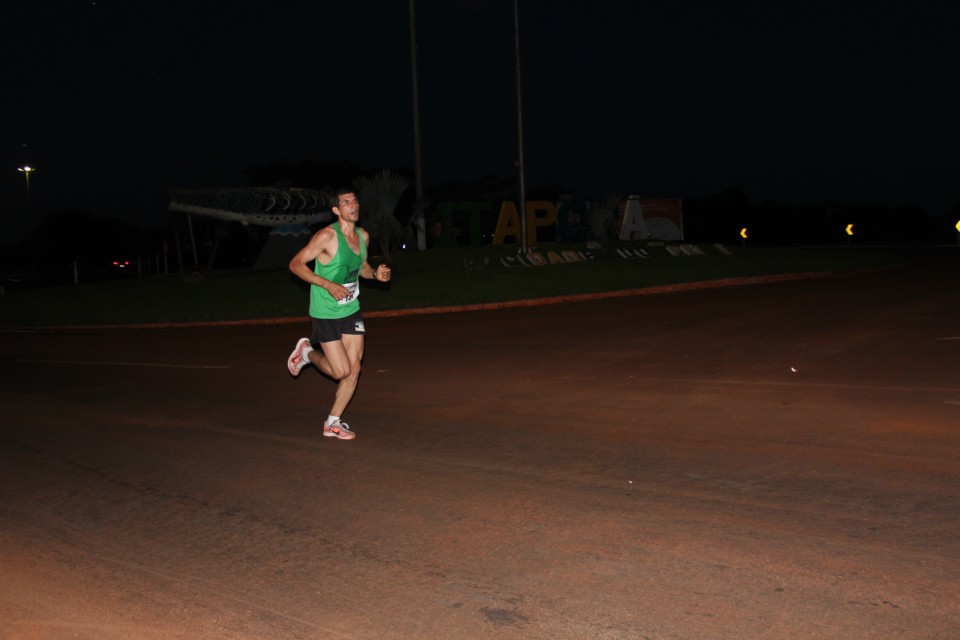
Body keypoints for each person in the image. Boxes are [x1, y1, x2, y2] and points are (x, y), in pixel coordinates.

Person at [285, 187, 391, 440]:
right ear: (336, 210)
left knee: (354, 369)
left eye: (355, 201)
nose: (353, 205)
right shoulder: (326, 237)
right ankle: (307, 353)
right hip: (325, 312)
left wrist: (375, 274)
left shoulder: (362, 236)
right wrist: (327, 284)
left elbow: (362, 267)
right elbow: (295, 264)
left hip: (351, 309)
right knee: (340, 371)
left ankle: (333, 422)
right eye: (346, 202)